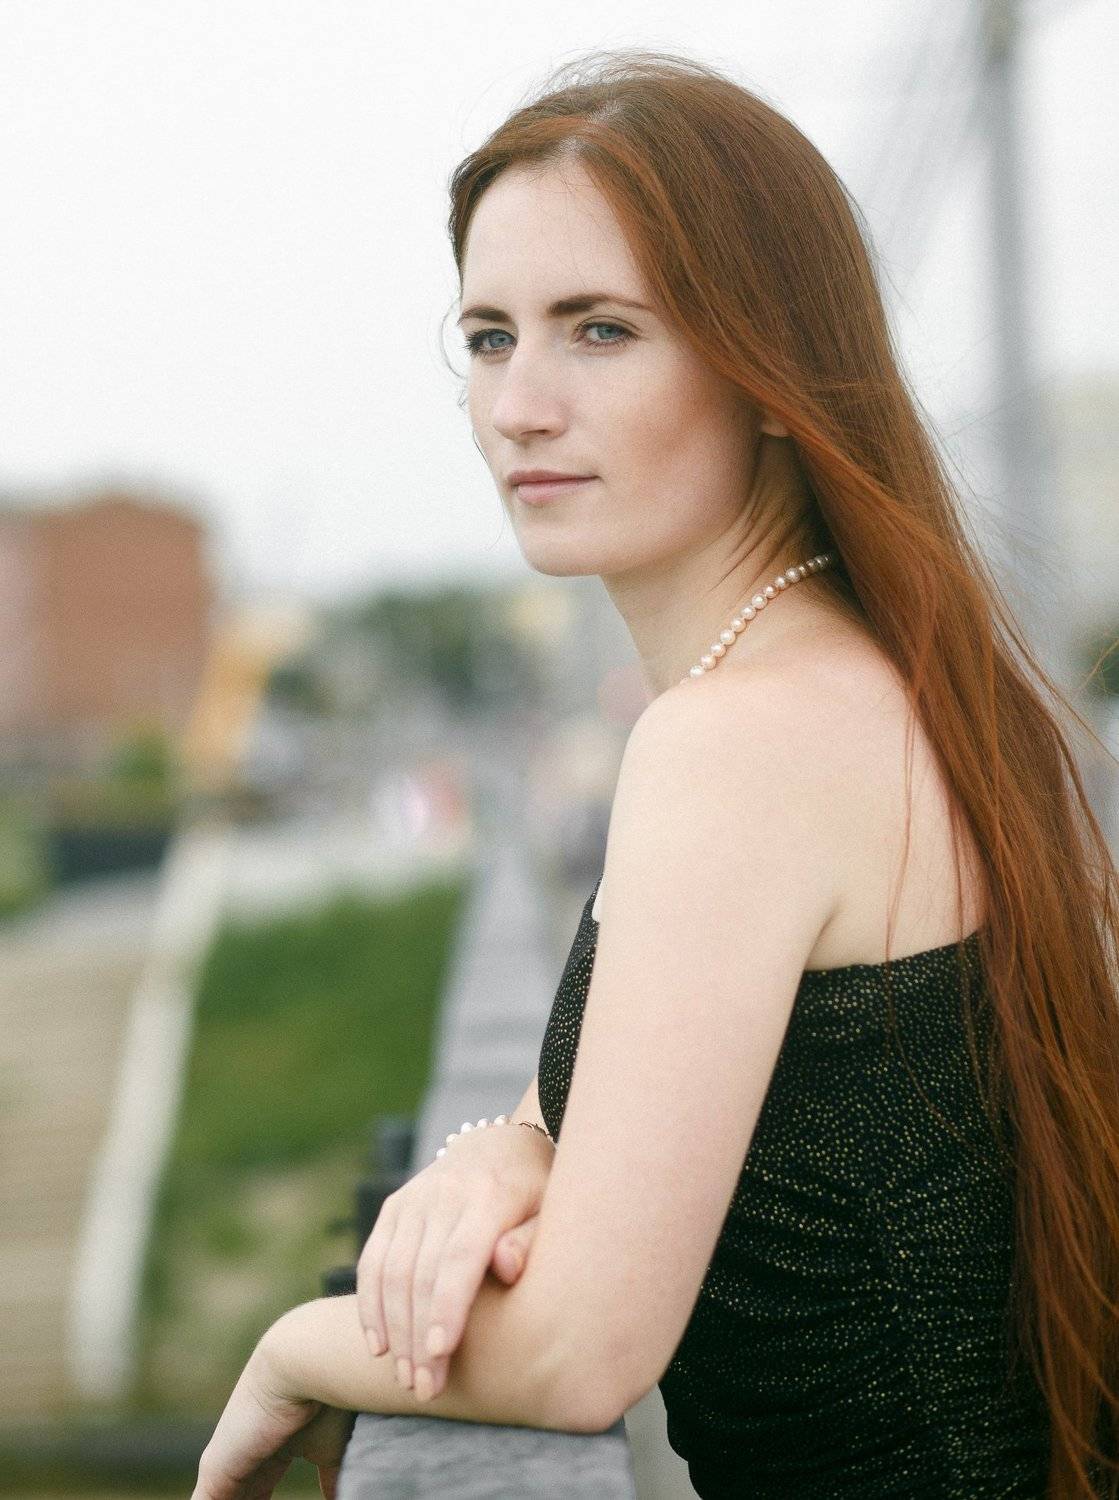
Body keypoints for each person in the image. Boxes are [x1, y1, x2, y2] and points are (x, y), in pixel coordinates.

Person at [192, 48, 1119, 1500]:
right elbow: (749, 1088)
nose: (520, 404)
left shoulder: (737, 742)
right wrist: (520, 1148)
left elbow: (579, 1357)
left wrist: (289, 1351)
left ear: (771, 375)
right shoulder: (864, 679)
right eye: (489, 337)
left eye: (601, 330)